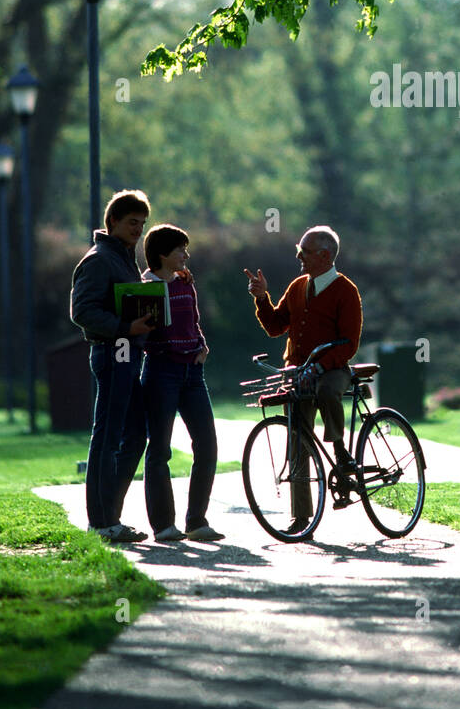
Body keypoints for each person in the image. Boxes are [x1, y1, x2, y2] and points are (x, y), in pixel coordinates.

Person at [244, 226, 362, 531]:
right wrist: (261, 298)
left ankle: (340, 451)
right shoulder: (297, 286)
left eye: (304, 251)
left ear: (324, 255)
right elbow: (274, 326)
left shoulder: (345, 291)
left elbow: (349, 343)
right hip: (297, 372)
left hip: (333, 370)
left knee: (326, 391)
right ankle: (301, 517)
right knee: (296, 439)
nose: (298, 256)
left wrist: (321, 366)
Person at [70, 189, 154, 543]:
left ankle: (110, 517)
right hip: (112, 350)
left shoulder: (124, 257)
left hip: (128, 353)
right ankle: (101, 522)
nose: (138, 229)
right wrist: (125, 328)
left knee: (136, 434)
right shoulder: (99, 259)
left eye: (142, 224)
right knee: (107, 436)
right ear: (113, 222)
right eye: (132, 222)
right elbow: (82, 311)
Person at [140, 224, 224, 543]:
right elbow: (142, 333)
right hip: (161, 372)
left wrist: (202, 346)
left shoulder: (186, 282)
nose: (186, 255)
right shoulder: (144, 287)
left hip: (193, 373)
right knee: (159, 448)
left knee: (207, 444)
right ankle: (163, 526)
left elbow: (195, 320)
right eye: (180, 250)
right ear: (162, 254)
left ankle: (196, 521)